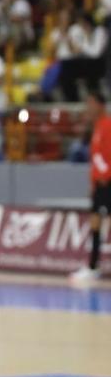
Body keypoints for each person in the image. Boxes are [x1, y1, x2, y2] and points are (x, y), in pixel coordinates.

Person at [72, 92, 111, 282]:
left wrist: (105, 178)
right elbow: (96, 160)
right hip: (100, 185)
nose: (88, 108)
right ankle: (93, 266)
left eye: (91, 103)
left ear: (100, 105)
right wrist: (94, 183)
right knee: (95, 223)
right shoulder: (96, 127)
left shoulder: (108, 126)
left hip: (108, 184)